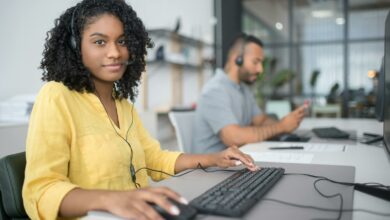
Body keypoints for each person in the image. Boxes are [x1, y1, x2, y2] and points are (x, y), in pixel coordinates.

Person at [21, 1, 257, 219]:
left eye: (122, 41)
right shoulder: (56, 96)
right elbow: (41, 191)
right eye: (99, 42)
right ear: (75, 46)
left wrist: (211, 158)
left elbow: (153, 158)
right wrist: (112, 200)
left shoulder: (123, 104)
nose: (115, 52)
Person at [191, 34, 306, 153]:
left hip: (237, 161)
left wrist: (287, 123)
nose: (260, 69)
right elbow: (234, 138)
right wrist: (281, 127)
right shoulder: (215, 90)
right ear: (237, 59)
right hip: (211, 169)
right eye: (256, 62)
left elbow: (260, 121)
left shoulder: (243, 89)